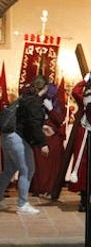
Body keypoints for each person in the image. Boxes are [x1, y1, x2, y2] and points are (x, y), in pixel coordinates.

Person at [1, 75, 50, 214]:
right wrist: (43, 144)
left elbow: (26, 121)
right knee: (28, 170)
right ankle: (22, 205)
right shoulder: (35, 101)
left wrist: (42, 128)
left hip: (7, 136)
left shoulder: (24, 97)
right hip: (17, 139)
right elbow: (33, 123)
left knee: (9, 170)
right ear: (44, 88)